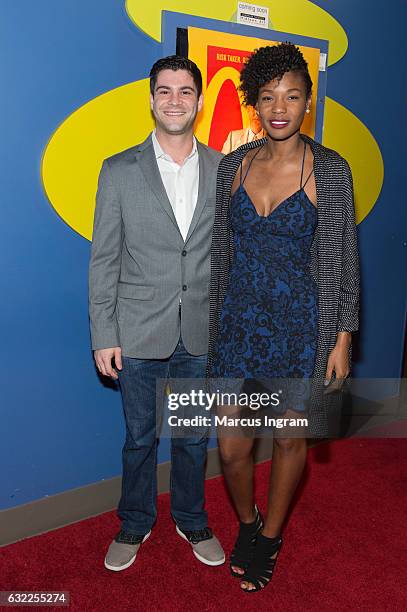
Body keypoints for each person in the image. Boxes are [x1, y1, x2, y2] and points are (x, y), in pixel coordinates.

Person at [206, 43, 360, 592]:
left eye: (292, 96)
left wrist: (342, 338)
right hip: (237, 323)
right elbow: (218, 251)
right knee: (232, 445)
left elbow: (344, 258)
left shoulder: (331, 170)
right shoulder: (233, 165)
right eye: (268, 96)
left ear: (307, 103)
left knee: (289, 440)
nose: (280, 107)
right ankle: (247, 523)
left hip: (301, 325)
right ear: (253, 102)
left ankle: (270, 536)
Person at [89, 55, 225, 572]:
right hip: (139, 330)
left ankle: (192, 519)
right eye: (165, 91)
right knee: (140, 439)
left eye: (185, 91)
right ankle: (134, 521)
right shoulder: (119, 170)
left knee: (193, 437)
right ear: (151, 99)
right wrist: (105, 332)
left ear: (198, 100)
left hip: (201, 333)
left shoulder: (223, 169)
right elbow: (104, 259)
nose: (175, 100)